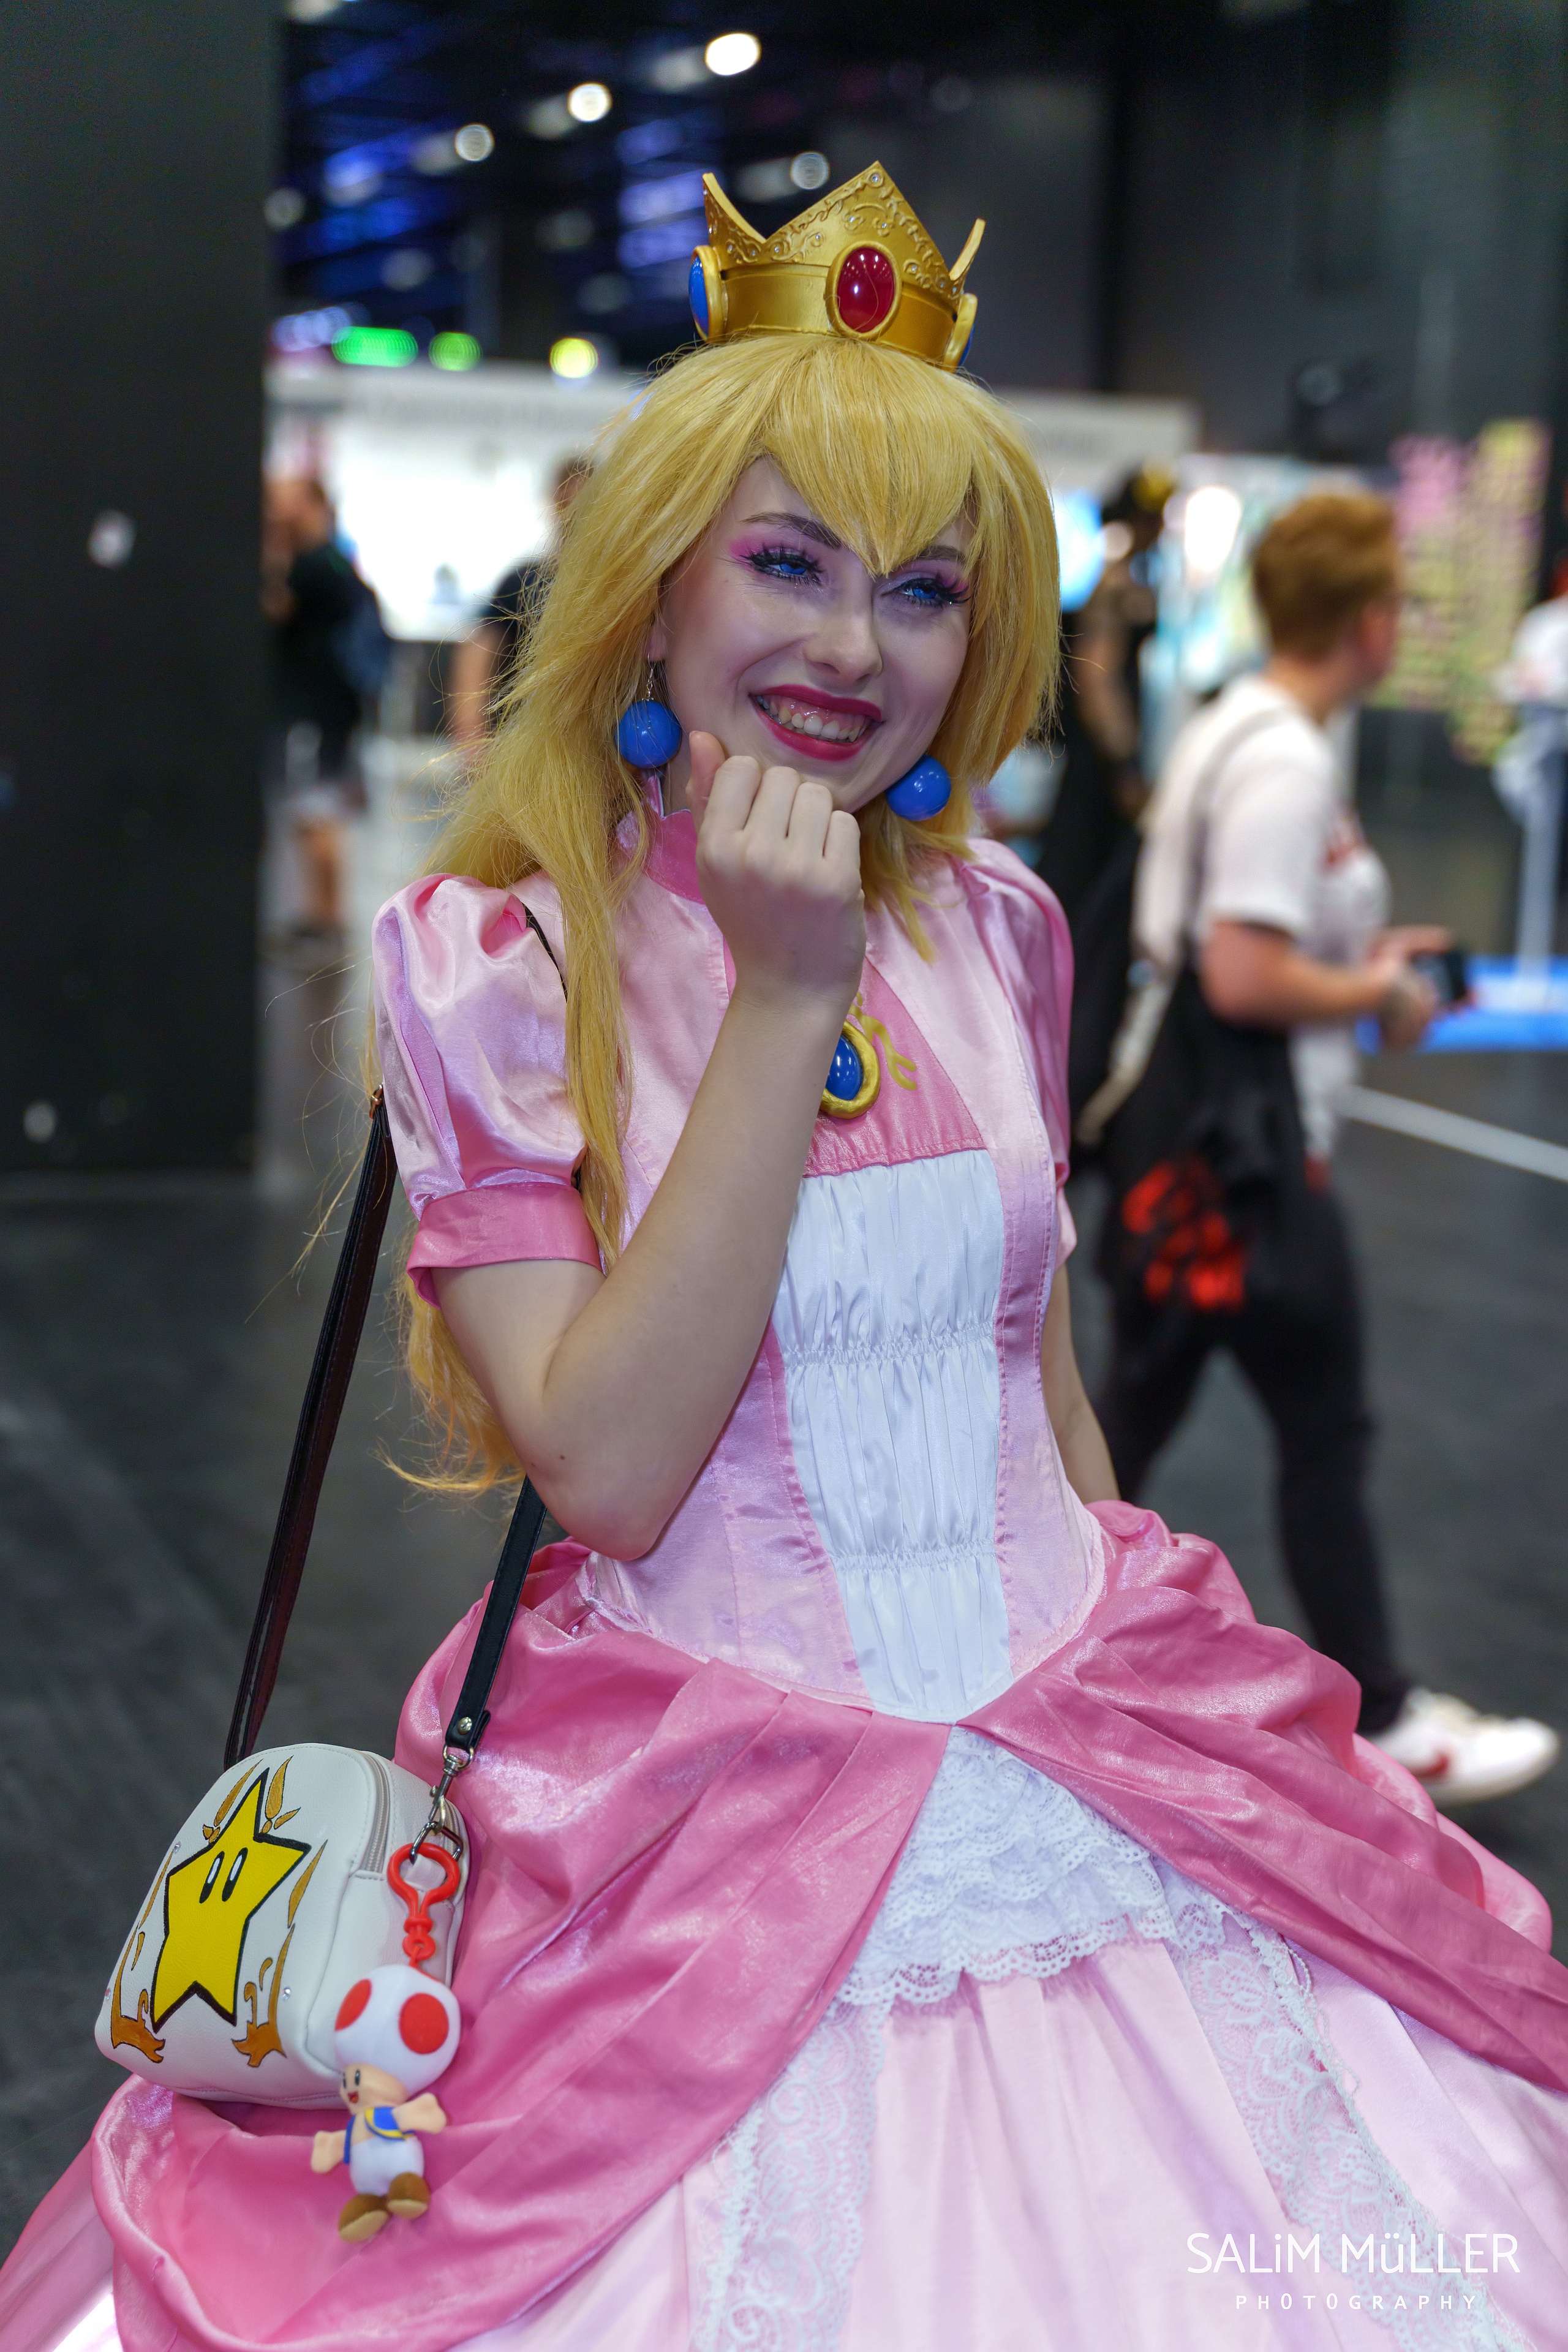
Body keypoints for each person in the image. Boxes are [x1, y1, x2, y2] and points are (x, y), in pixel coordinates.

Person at [9, 171, 1568, 2352]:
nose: (852, 645)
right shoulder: (498, 966)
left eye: (921, 589)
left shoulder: (994, 925)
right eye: (786, 561)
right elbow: (611, 1468)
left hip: (1093, 1740)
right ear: (650, 585)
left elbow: (1032, 1368)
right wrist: (778, 992)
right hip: (698, 1836)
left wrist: (1159, 1679)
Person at [1095, 492, 1559, 1809]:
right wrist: (1378, 993)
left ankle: (1027, 1633)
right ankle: (1390, 1713)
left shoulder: (1247, 727)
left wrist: (1362, 964)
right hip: (1239, 1160)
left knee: (1134, 1417)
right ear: (1364, 620)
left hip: (1202, 1148)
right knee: (1317, 1423)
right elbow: (1241, 973)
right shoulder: (1285, 760)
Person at [262, 478, 382, 944]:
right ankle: (322, 913)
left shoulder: (312, 564)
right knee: (320, 810)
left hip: (316, 711)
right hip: (334, 709)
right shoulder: (335, 560)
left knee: (315, 811)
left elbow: (276, 610)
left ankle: (325, 918)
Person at [444, 453, 591, 751]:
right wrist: (471, 736)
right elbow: (479, 654)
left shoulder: (612, 586)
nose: (575, 513)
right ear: (555, 503)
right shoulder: (524, 582)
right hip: (524, 743)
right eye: (568, 501)